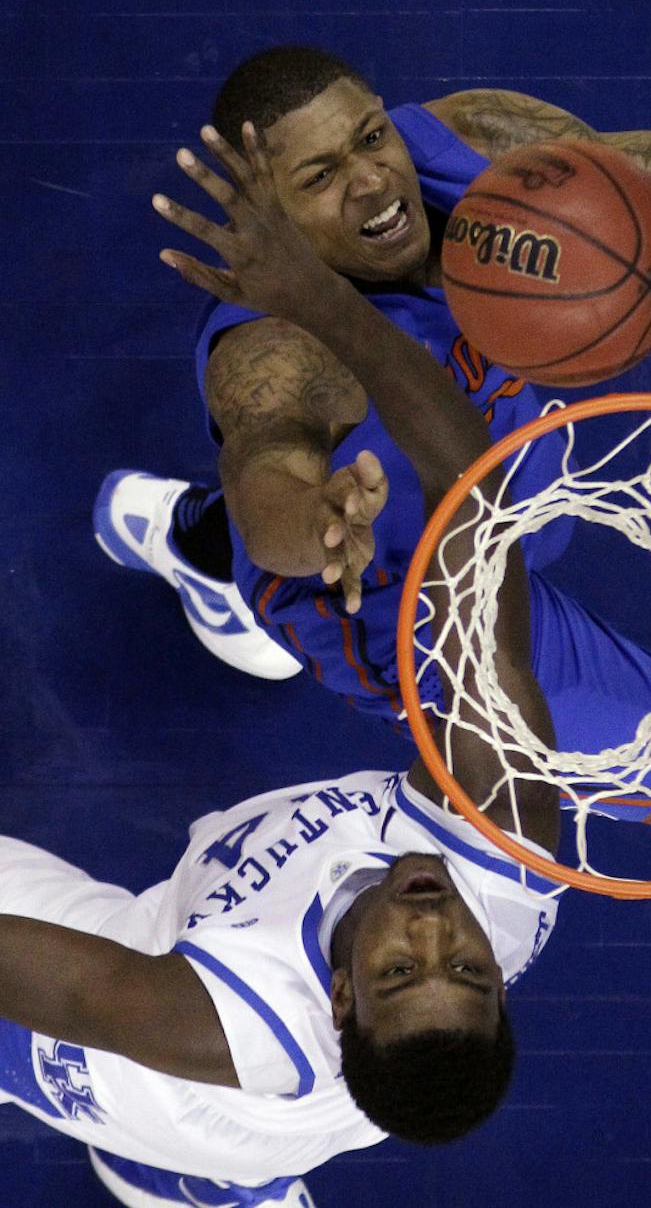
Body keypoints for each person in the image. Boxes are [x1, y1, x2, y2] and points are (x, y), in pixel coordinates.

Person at [96, 46, 651, 967]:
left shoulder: (459, 138)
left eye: (370, 138)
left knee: (412, 480)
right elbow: (267, 484)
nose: (372, 181)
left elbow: (626, 187)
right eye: (321, 177)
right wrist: (317, 524)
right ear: (270, 218)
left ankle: (191, 545)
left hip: (506, 492)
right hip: (420, 606)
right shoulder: (273, 352)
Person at [0, 152, 566, 1205]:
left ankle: (188, 1177)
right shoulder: (507, 857)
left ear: (344, 993)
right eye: (469, 969)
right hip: (226, 981)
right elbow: (472, 508)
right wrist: (326, 306)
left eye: (404, 969)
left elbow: (72, 985)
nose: (437, 929)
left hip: (155, 1075)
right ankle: (231, 570)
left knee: (144, 1120)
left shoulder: (226, 1015)